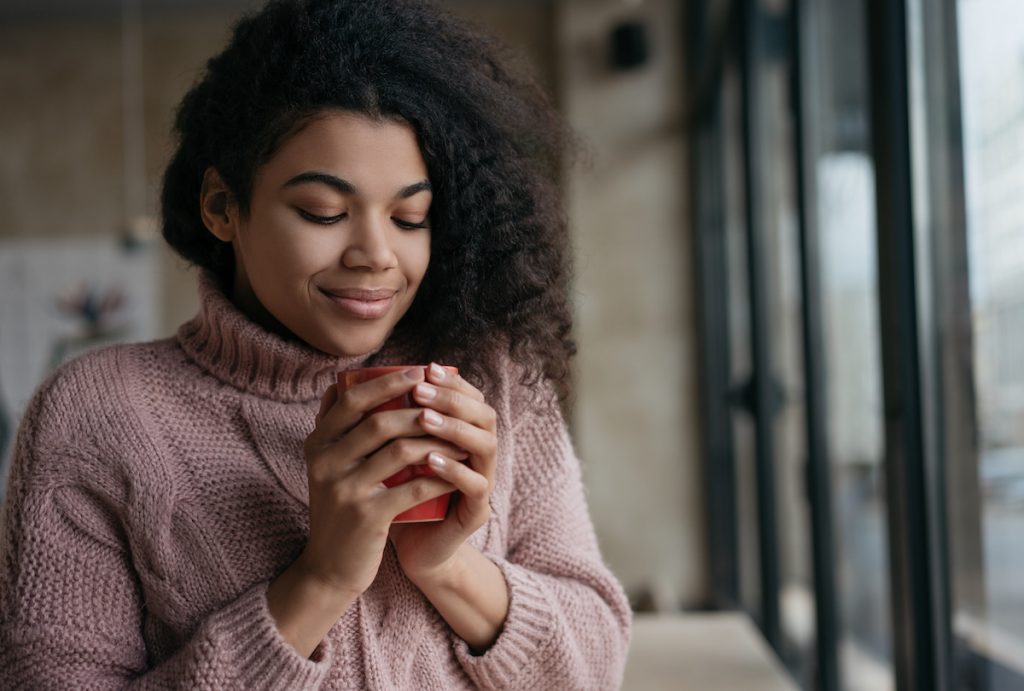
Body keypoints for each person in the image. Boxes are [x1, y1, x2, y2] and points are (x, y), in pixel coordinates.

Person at [0, 0, 632, 688]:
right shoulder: (96, 411)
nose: (376, 254)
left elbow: (597, 660)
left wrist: (447, 565)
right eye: (323, 211)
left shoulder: (491, 375)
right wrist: (321, 579)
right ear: (221, 206)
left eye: (410, 216)